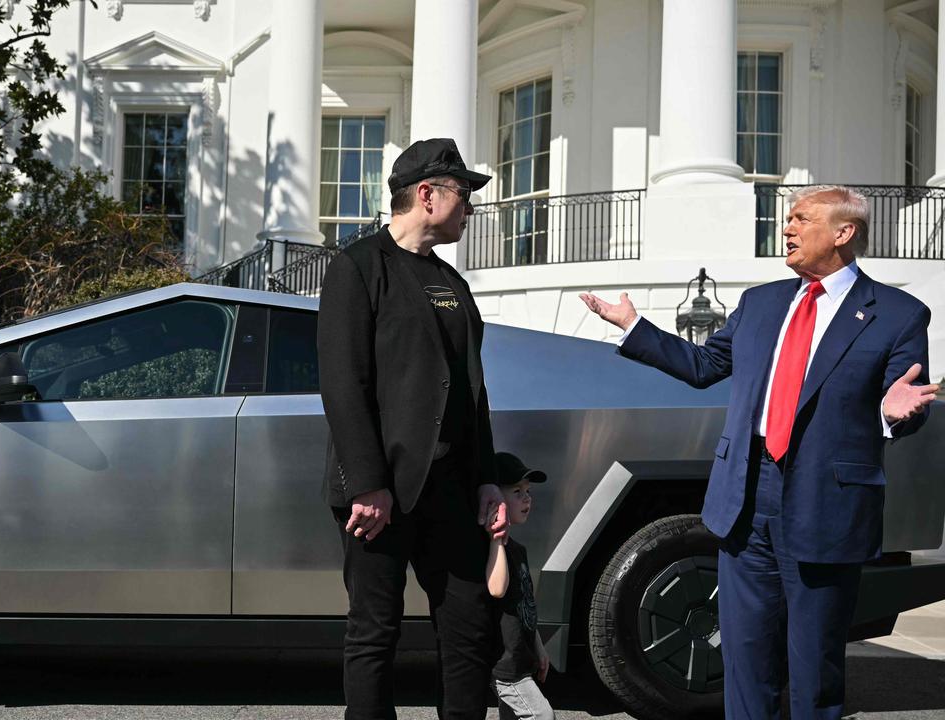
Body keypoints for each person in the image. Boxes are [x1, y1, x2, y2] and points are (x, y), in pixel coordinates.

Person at [579, 185, 938, 720]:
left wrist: (894, 411)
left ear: (843, 233)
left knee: (813, 666)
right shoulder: (761, 302)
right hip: (745, 501)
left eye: (801, 218)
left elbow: (905, 397)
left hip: (825, 506)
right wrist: (634, 327)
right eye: (787, 218)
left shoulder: (897, 312)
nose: (787, 228)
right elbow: (703, 367)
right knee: (745, 659)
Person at [318, 137, 509, 720]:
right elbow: (343, 384)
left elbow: (473, 395)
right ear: (427, 195)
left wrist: (488, 480)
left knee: (470, 627)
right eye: (464, 194)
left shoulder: (453, 285)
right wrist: (367, 484)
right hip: (380, 493)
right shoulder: (358, 266)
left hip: (449, 488)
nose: (472, 208)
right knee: (375, 631)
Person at [485, 453, 554, 720]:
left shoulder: (519, 550)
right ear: (495, 500)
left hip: (521, 659)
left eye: (528, 491)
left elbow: (524, 604)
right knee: (541, 715)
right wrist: (496, 540)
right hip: (505, 666)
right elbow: (497, 589)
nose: (527, 498)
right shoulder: (495, 551)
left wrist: (538, 646)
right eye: (517, 491)